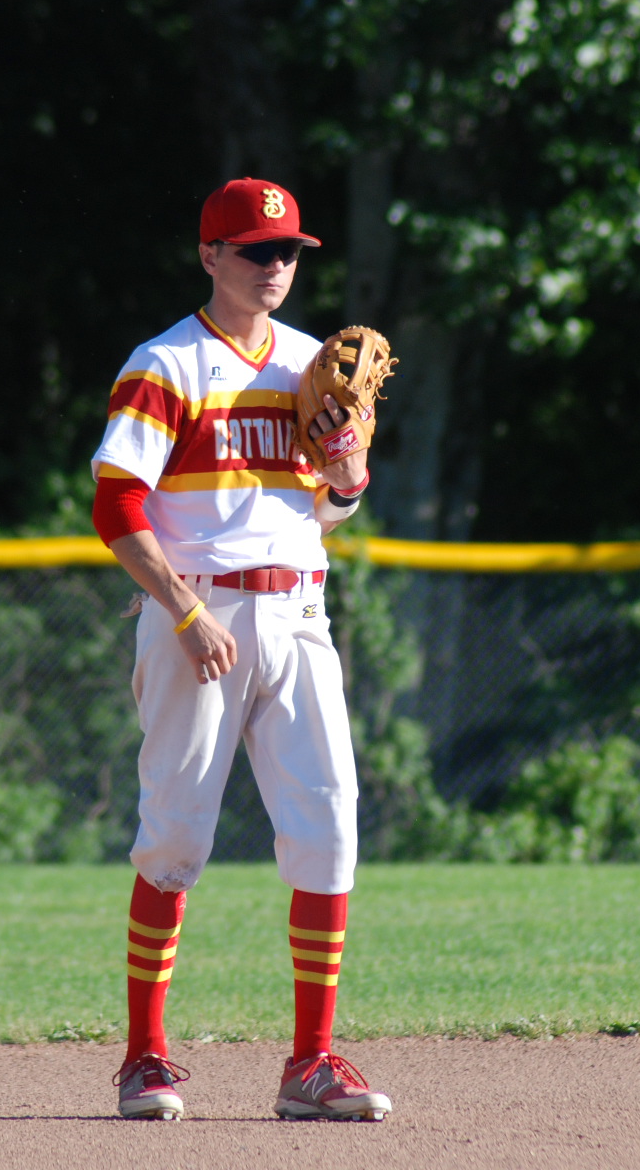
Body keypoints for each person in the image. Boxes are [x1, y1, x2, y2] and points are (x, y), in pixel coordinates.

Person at [90, 177, 392, 1123]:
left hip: (300, 612)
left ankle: (312, 1062)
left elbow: (326, 510)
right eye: (256, 250)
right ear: (210, 255)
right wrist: (183, 610)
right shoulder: (166, 364)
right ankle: (144, 1057)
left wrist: (349, 476)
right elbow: (116, 505)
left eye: (289, 251)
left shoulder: (310, 365)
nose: (275, 265)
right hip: (199, 617)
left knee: (329, 830)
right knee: (175, 837)